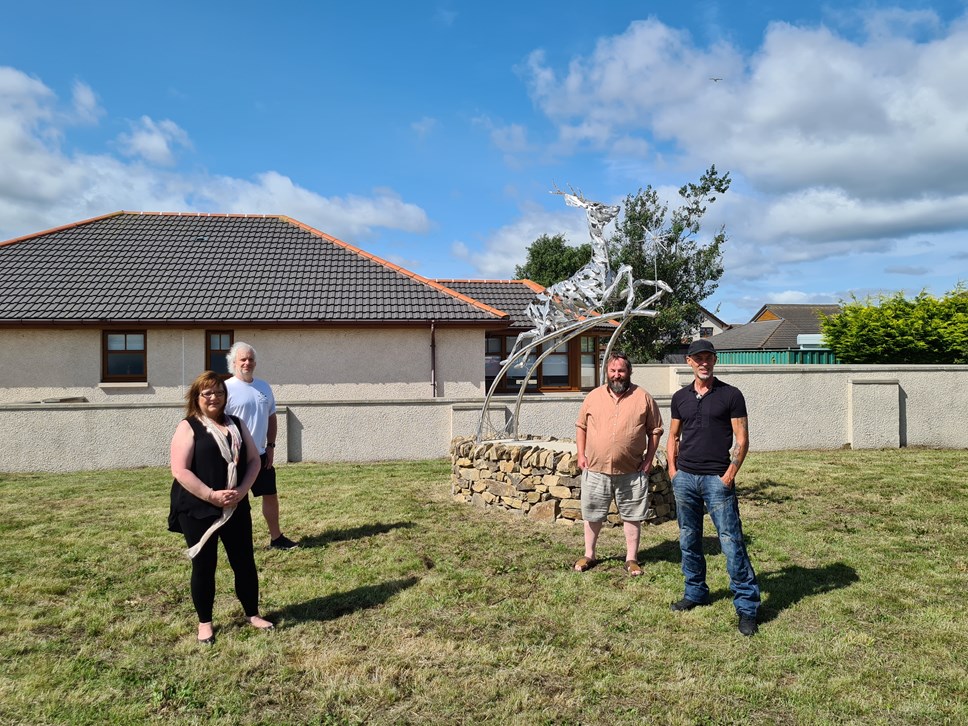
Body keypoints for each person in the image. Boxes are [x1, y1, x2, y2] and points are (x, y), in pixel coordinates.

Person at [169, 371, 274, 644]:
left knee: (244, 562)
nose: (214, 397)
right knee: (204, 566)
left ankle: (252, 614)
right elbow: (179, 470)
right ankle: (205, 623)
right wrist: (211, 495)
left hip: (235, 505)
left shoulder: (237, 424)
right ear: (197, 397)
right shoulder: (189, 426)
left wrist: (242, 490)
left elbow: (254, 460)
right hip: (198, 508)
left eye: (219, 392)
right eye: (207, 393)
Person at [667, 338, 761, 636]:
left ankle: (747, 607)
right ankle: (695, 592)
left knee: (731, 542)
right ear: (689, 362)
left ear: (715, 360)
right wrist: (673, 471)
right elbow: (673, 436)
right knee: (688, 539)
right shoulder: (680, 397)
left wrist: (730, 474)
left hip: (717, 480)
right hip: (685, 478)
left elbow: (742, 439)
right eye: (698, 358)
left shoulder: (731, 395)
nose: (703, 363)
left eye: (708, 357)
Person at [574, 351, 664, 576]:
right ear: (607, 372)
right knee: (592, 514)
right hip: (596, 469)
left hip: (631, 471)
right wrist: (581, 454)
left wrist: (649, 459)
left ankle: (631, 558)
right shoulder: (593, 397)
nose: (617, 375)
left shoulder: (643, 397)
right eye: (613, 370)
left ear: (629, 372)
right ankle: (589, 554)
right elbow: (581, 426)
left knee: (632, 515)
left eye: (621, 371)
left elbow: (655, 430)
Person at [224, 342, 298, 550]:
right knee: (237, 500)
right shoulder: (226, 388)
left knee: (270, 495)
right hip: (235, 457)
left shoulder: (264, 387)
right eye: (243, 359)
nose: (247, 363)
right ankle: (238, 544)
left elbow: (271, 416)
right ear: (233, 363)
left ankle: (276, 538)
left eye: (251, 359)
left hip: (261, 454)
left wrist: (271, 446)